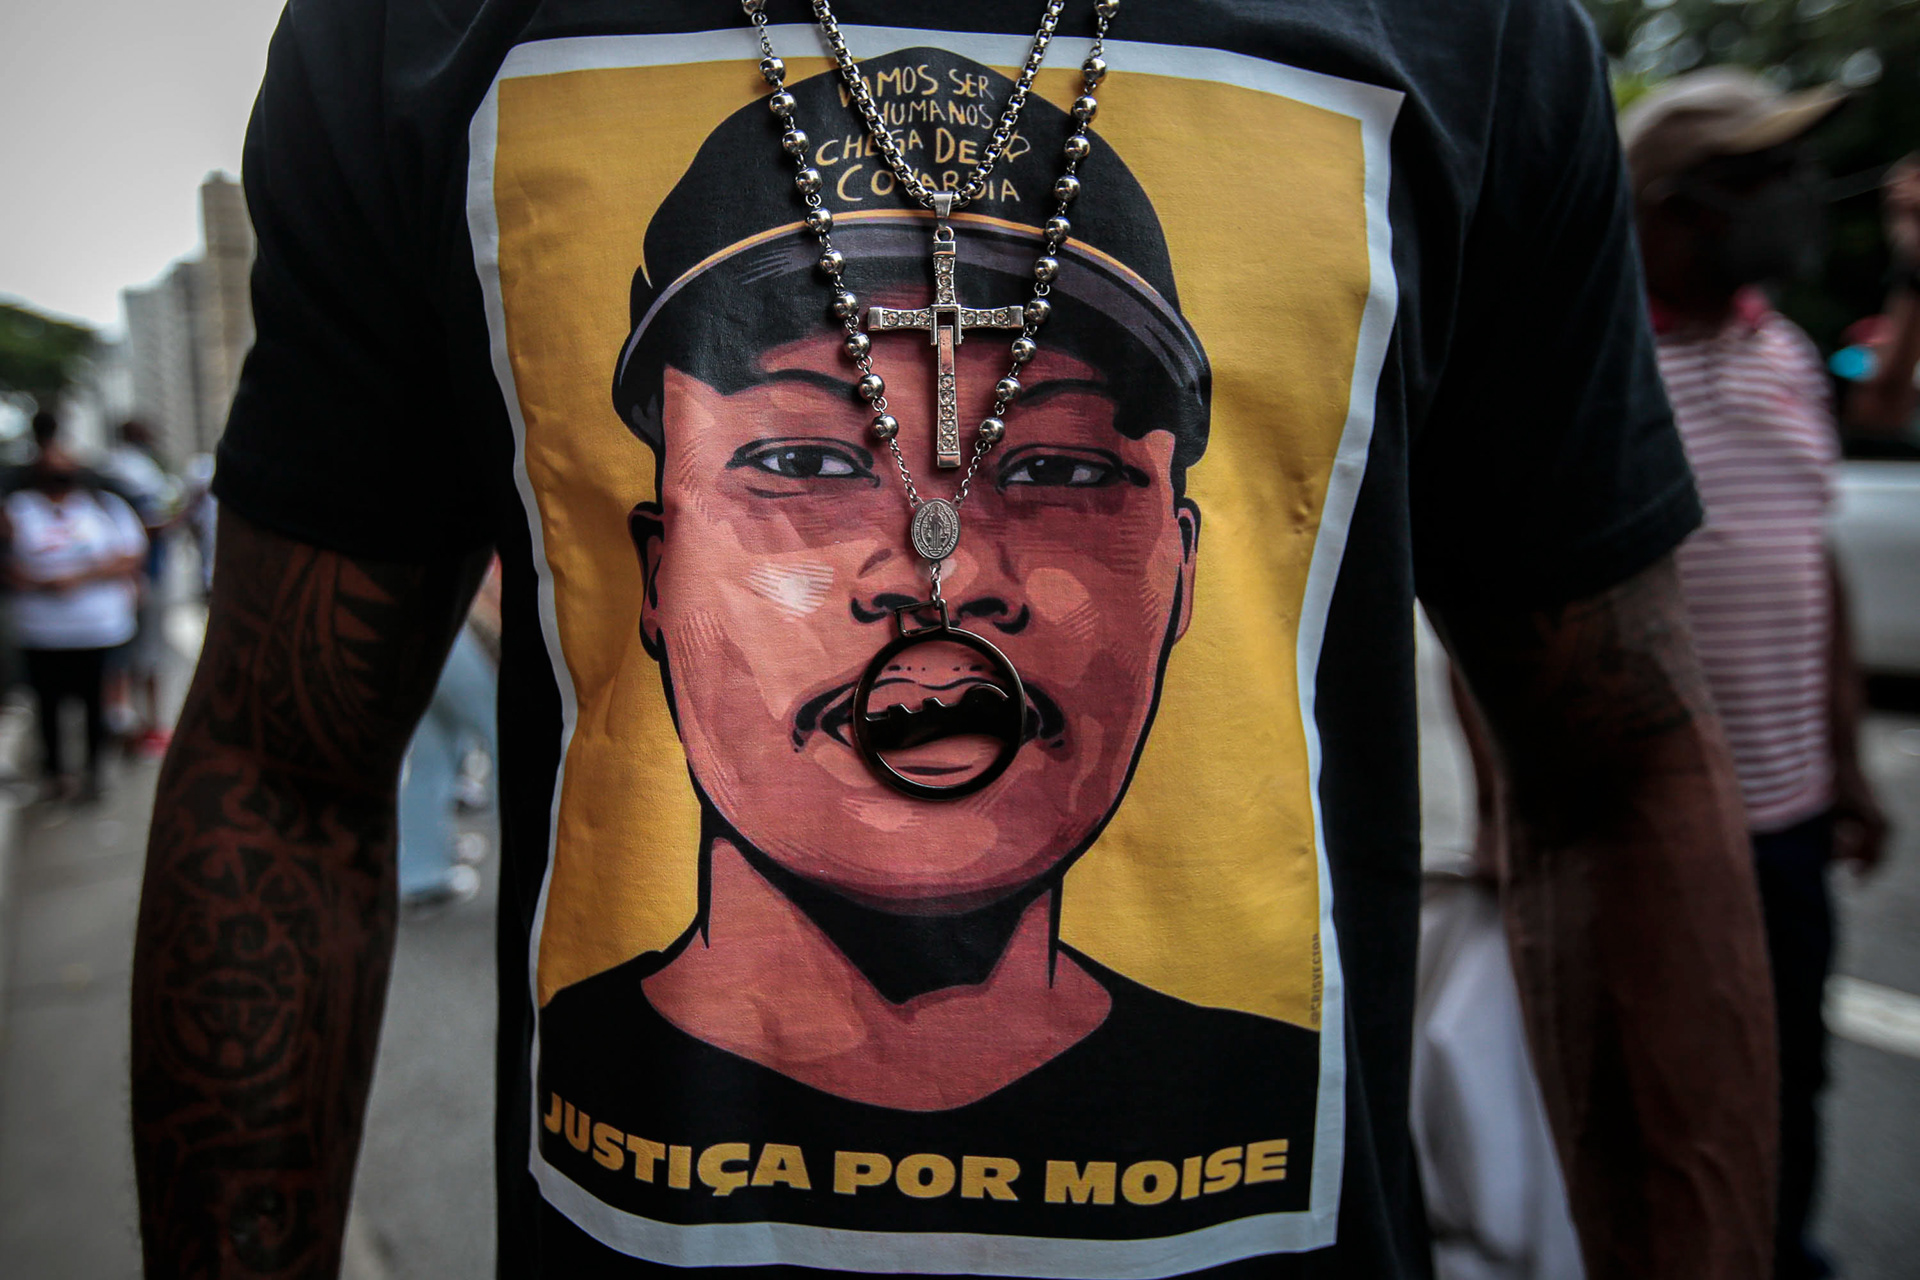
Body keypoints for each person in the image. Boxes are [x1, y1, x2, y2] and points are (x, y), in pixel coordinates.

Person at [132, 3, 1778, 1278]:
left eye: (1056, 470)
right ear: (658, 560)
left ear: (1179, 568)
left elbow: (1620, 773)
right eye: (800, 463)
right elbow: (283, 772)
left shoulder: (1468, 32)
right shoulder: (421, 31)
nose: (943, 574)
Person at [1621, 68, 1896, 1280]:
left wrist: (1847, 764)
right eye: (1757, 175)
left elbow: (1810, 558)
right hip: (1656, 825)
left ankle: (1783, 1250)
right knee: (1672, 1095)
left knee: (1791, 1068)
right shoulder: (1600, 362)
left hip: (1790, 815)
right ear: (1664, 207)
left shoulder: (1780, 346)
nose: (1792, 196)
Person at [3, 433, 147, 800]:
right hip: (41, 632)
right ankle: (56, 774)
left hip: (98, 630)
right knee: (48, 704)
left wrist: (79, 577)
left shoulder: (105, 505)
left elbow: (131, 554)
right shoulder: (17, 509)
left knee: (95, 703)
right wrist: (38, 582)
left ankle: (94, 773)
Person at [98, 418, 181, 757]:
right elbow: (151, 526)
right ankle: (144, 726)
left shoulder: (116, 468)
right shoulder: (134, 472)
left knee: (128, 658)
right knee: (143, 655)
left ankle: (131, 724)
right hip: (143, 578)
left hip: (127, 582)